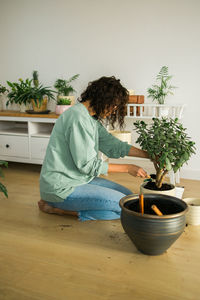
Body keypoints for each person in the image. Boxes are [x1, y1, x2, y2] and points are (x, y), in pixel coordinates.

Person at [38, 76, 149, 221]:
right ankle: (58, 209)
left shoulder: (89, 117)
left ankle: (66, 207)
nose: (114, 110)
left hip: (80, 179)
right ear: (103, 98)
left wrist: (148, 155)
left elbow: (112, 144)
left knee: (129, 198)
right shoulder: (78, 118)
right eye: (113, 105)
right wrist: (128, 168)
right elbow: (88, 166)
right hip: (61, 188)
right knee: (127, 207)